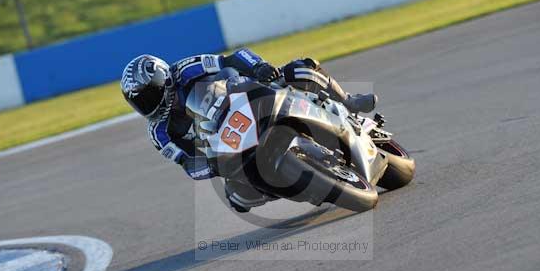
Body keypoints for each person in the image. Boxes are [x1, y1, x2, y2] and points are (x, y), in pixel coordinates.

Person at [120, 48, 377, 212]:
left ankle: (348, 101)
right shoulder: (158, 133)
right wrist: (207, 165)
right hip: (227, 144)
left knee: (298, 67)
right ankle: (298, 184)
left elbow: (231, 58)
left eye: (148, 95)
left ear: (161, 81)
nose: (146, 105)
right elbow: (186, 163)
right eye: (138, 102)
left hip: (246, 100)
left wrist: (259, 67)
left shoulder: (184, 70)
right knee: (238, 199)